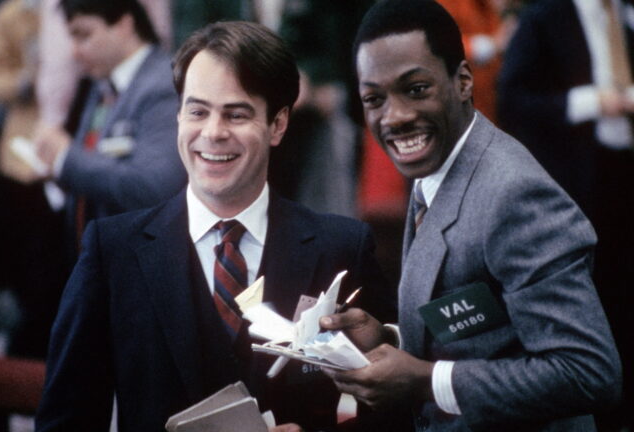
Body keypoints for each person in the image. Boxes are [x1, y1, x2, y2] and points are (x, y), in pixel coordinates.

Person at [35, 21, 396, 432]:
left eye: (236, 114)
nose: (213, 132)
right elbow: (64, 422)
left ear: (277, 124)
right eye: (197, 111)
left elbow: (393, 413)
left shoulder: (341, 247)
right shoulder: (112, 251)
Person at [320, 1, 621, 431]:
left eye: (416, 89)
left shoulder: (514, 194)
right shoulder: (437, 164)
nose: (397, 117)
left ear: (463, 81)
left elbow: (587, 372)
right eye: (375, 99)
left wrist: (425, 381)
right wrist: (391, 340)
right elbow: (491, 329)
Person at [496, 2, 634, 429]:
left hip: (624, 175)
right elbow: (512, 99)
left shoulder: (623, 14)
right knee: (591, 300)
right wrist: (592, 101)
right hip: (574, 182)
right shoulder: (545, 17)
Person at [32, 0, 185, 263]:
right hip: (100, 263)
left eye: (85, 34)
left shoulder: (163, 85)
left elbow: (153, 187)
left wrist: (65, 158)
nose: (74, 51)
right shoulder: (105, 84)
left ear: (124, 25)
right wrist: (57, 167)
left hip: (141, 268)